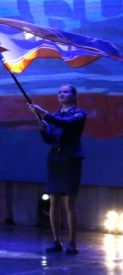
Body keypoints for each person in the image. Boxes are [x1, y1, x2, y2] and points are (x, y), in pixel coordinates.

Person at [30, 84, 87, 255]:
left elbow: (65, 124)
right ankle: (56, 241)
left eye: (65, 92)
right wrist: (43, 130)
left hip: (71, 160)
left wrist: (43, 113)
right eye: (59, 92)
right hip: (55, 160)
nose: (62, 94)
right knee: (54, 202)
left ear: (73, 96)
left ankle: (72, 242)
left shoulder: (80, 113)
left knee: (69, 203)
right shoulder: (54, 116)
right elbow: (49, 140)